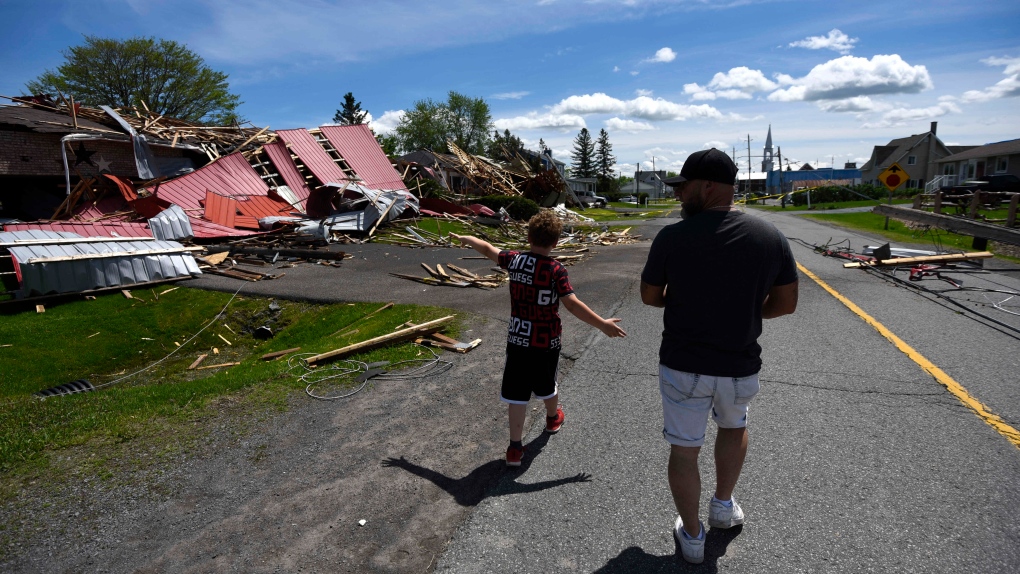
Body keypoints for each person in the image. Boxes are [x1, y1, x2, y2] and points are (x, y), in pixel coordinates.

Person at [639, 148, 798, 564]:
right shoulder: (770, 237)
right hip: (738, 364)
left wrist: (684, 298)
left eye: (683, 187)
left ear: (707, 186)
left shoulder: (672, 237)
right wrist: (746, 309)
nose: (678, 195)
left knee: (684, 449)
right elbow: (785, 304)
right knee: (733, 427)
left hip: (683, 364)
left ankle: (692, 537)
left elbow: (649, 297)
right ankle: (722, 507)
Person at [451, 210, 626, 466]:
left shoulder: (515, 260)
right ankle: (553, 418)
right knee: (547, 384)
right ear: (555, 242)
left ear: (529, 236)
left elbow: (488, 248)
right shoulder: (556, 270)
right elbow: (572, 305)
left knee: (516, 394)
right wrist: (602, 324)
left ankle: (514, 448)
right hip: (546, 341)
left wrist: (466, 238)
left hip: (518, 339)